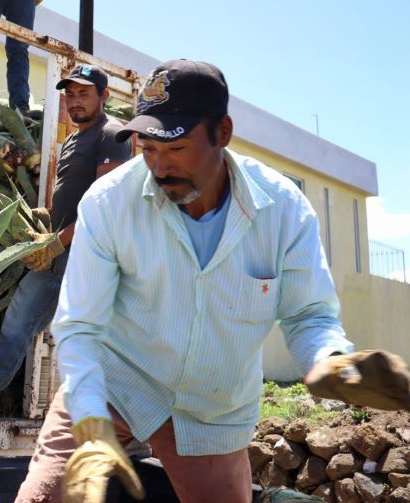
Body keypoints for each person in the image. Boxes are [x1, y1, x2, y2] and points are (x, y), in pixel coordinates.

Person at [50, 59, 410, 503]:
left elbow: (307, 314)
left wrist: (331, 361)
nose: (159, 168)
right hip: (112, 387)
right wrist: (87, 421)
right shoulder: (109, 203)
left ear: (222, 132)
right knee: (44, 496)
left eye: (176, 149)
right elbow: (79, 325)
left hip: (210, 412)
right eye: (147, 150)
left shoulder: (283, 210)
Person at [0, 65, 132, 421]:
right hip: (58, 255)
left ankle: (125, 430)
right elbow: (74, 197)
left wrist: (58, 242)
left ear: (104, 96)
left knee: (96, 343)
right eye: (69, 95)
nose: (75, 102)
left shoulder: (112, 135)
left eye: (84, 94)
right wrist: (45, 221)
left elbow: (107, 205)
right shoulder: (74, 139)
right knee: (16, 327)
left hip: (90, 258)